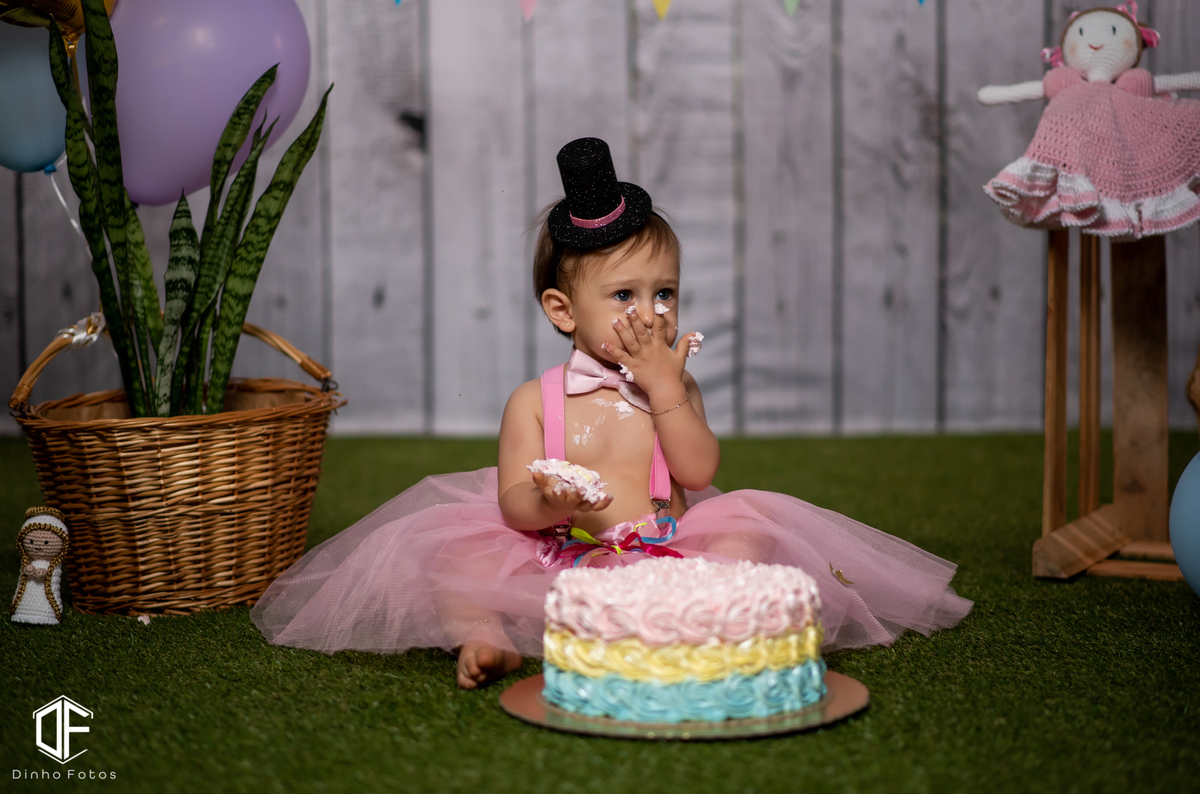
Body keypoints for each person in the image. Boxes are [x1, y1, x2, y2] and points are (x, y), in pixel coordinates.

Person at [251, 137, 972, 689]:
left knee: (748, 533)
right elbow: (511, 504)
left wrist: (665, 389)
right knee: (457, 555)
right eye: (625, 295)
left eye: (665, 293)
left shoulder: (675, 388)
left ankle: (700, 623)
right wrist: (550, 499)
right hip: (561, 557)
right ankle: (485, 636)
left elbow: (699, 471)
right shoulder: (534, 401)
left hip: (670, 554)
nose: (650, 313)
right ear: (563, 310)